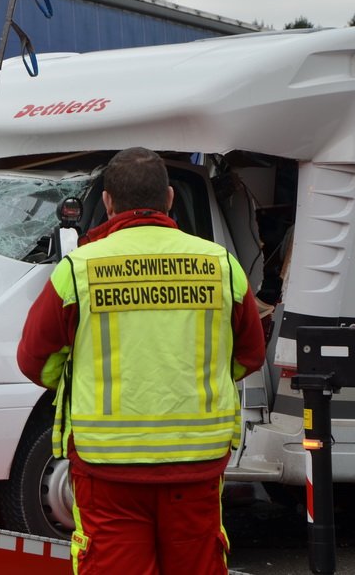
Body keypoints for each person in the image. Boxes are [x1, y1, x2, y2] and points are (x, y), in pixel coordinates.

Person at [17, 147, 265, 574]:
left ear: (109, 202)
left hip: (108, 467)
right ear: (169, 198)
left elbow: (34, 361)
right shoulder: (222, 266)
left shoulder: (78, 270)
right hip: (197, 462)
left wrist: (81, 380)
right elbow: (248, 355)